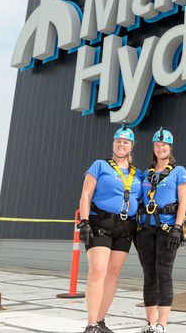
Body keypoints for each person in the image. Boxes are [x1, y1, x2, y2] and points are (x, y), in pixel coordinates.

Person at [77, 125, 143, 333]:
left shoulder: (138, 174)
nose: (121, 144)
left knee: (113, 274)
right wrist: (84, 222)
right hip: (101, 224)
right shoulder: (100, 165)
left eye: (125, 142)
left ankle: (100, 321)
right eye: (118, 141)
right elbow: (86, 195)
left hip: (125, 227)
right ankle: (90, 325)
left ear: (131, 146)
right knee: (98, 271)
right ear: (113, 144)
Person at [134, 128, 186, 333]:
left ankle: (162, 325)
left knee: (164, 274)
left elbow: (183, 201)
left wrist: (177, 227)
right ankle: (150, 323)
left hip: (167, 229)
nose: (160, 148)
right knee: (149, 275)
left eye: (164, 145)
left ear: (170, 147)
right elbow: (137, 200)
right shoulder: (146, 173)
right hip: (145, 229)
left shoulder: (179, 171)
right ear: (154, 148)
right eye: (157, 145)